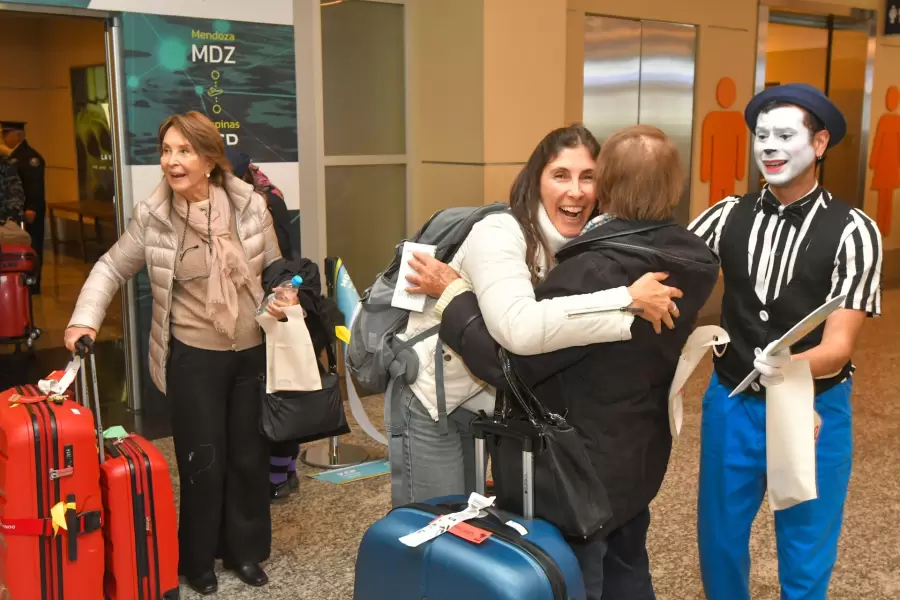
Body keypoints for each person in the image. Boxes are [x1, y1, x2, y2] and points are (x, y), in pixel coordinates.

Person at [436, 125, 720, 599]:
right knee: (629, 566)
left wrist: (455, 301)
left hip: (576, 466)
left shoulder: (591, 270)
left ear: (604, 185)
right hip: (641, 450)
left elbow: (509, 369)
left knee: (579, 577)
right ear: (676, 186)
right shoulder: (694, 261)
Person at [391, 123, 683, 507]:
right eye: (560, 175)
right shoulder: (500, 233)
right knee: (435, 526)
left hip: (492, 404)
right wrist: (626, 300)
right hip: (435, 403)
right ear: (536, 181)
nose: (576, 191)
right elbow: (520, 328)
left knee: (474, 531)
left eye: (588, 177)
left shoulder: (587, 245)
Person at [64, 112, 295, 595]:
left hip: (252, 352)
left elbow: (274, 265)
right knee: (203, 462)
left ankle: (245, 552)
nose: (171, 161)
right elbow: (110, 267)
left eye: (184, 151)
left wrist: (283, 292)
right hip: (193, 357)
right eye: (166, 151)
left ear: (210, 160)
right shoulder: (154, 217)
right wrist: (84, 318)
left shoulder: (250, 206)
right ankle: (199, 560)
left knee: (248, 459)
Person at [689, 83, 883, 600]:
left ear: (819, 144)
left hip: (814, 407)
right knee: (720, 539)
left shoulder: (855, 230)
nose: (769, 147)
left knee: (805, 546)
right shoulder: (726, 214)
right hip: (732, 402)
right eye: (761, 136)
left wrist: (793, 366)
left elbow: (840, 343)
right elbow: (667, 267)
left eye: (785, 135)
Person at [2, 121, 45, 294]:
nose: (3, 137)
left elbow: (34, 185)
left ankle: (32, 284)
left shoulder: (30, 157)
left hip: (29, 211)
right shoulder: (12, 157)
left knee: (32, 245)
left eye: (6, 133)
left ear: (18, 135)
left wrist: (32, 208)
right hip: (17, 211)